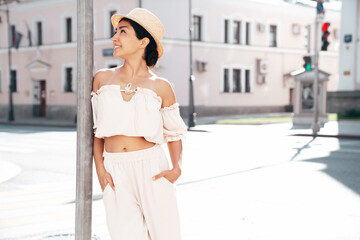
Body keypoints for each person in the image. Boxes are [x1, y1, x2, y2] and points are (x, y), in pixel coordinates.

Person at [90, 8, 187, 240]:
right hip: (115, 169)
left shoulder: (161, 86)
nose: (115, 38)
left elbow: (174, 134)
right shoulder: (102, 79)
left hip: (152, 168)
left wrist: (176, 169)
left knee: (165, 235)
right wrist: (101, 171)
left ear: (143, 41)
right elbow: (96, 132)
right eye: (116, 32)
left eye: (123, 32)